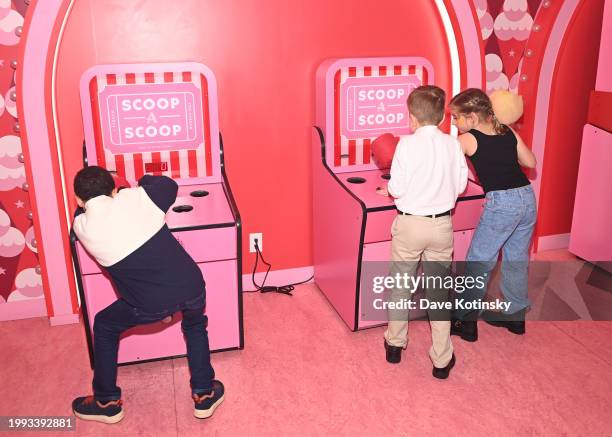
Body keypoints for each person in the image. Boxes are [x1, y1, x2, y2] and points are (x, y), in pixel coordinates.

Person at [71, 166, 224, 423]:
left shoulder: (81, 225)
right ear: (113, 190)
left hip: (148, 303)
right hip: (191, 285)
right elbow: (168, 185)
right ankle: (204, 394)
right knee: (195, 326)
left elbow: (85, 211)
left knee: (105, 325)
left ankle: (107, 401)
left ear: (78, 200)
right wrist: (139, 182)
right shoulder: (135, 199)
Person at [377, 85, 468, 379]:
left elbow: (397, 188)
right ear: (443, 116)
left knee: (401, 286)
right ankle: (441, 360)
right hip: (441, 224)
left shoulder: (406, 144)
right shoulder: (453, 144)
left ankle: (395, 344)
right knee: (439, 292)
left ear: (412, 117)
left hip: (410, 224)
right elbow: (461, 186)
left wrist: (389, 190)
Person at [448, 88, 537, 342]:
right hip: (526, 198)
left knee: (479, 261)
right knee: (516, 258)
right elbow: (530, 162)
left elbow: (446, 166)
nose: (454, 123)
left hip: (502, 203)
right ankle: (516, 317)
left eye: (456, 117)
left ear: (473, 117)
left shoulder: (467, 139)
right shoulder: (506, 130)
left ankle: (465, 322)